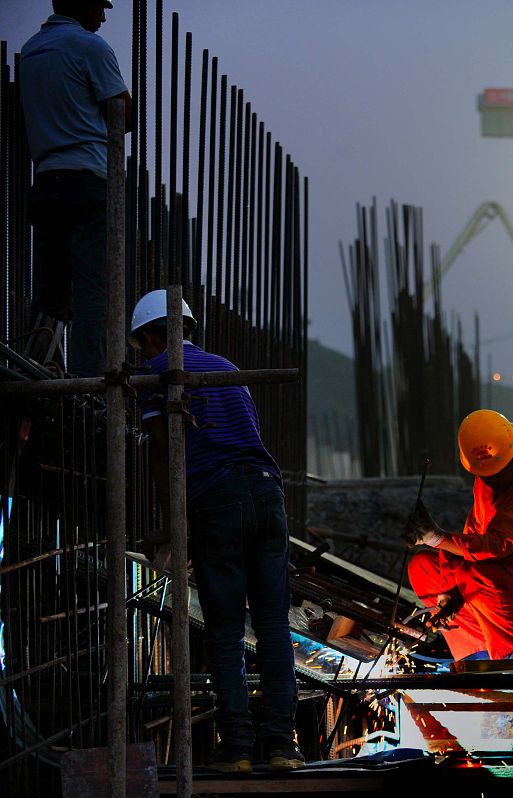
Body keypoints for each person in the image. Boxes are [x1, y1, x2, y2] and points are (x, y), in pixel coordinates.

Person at [131, 290, 302, 773]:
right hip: (268, 495)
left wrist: (171, 527)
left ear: (149, 336)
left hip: (216, 499)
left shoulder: (158, 372)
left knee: (226, 632)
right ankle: (282, 746)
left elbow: (164, 455)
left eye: (142, 345)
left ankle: (239, 749)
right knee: (271, 626)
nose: (144, 355)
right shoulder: (229, 368)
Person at [405, 409, 513, 661]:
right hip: (504, 597)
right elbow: (471, 539)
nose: (492, 482)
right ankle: (475, 653)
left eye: (498, 473)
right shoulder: (487, 484)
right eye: (485, 476)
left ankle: (512, 658)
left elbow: (495, 546)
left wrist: (437, 537)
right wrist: (450, 596)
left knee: (473, 574)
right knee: (422, 566)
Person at [20, 0, 132, 377]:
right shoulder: (90, 47)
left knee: (50, 298)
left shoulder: (32, 50)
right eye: (99, 5)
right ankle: (91, 387)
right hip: (88, 183)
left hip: (46, 182)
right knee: (92, 294)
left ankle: (37, 377)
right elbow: (124, 115)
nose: (103, 14)